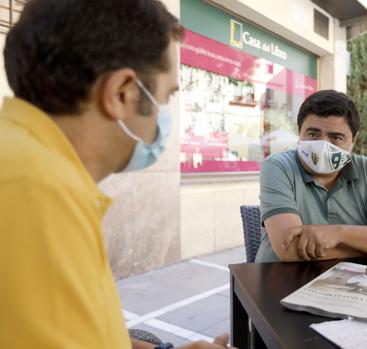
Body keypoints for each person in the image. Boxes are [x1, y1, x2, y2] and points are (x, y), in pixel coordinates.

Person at [0, 1, 234, 348]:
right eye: (166, 95)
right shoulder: (36, 193)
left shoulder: (31, 166)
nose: (164, 116)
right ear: (122, 92)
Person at [255, 90, 367, 263]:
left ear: (353, 140)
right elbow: (290, 250)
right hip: (282, 281)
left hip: (350, 283)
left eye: (336, 137)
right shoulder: (277, 166)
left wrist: (340, 233)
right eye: (313, 134)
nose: (323, 144)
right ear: (300, 132)